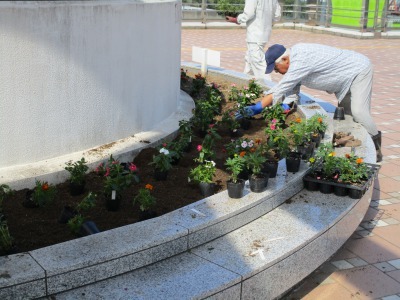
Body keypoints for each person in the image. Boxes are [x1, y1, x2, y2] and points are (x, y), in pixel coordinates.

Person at [238, 43, 383, 162]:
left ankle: (376, 149)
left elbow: (281, 88)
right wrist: (286, 105)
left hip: (358, 70)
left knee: (359, 112)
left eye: (276, 68)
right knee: (348, 117)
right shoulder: (294, 64)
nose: (276, 72)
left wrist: (258, 107)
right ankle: (355, 151)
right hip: (345, 79)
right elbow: (291, 91)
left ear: (285, 60)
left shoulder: (300, 59)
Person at [226, 0, 281, 84]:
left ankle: (268, 89)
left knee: (258, 63)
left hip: (255, 33)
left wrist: (236, 19)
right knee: (250, 60)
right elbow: (277, 16)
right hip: (265, 33)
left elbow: (249, 14)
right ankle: (245, 85)